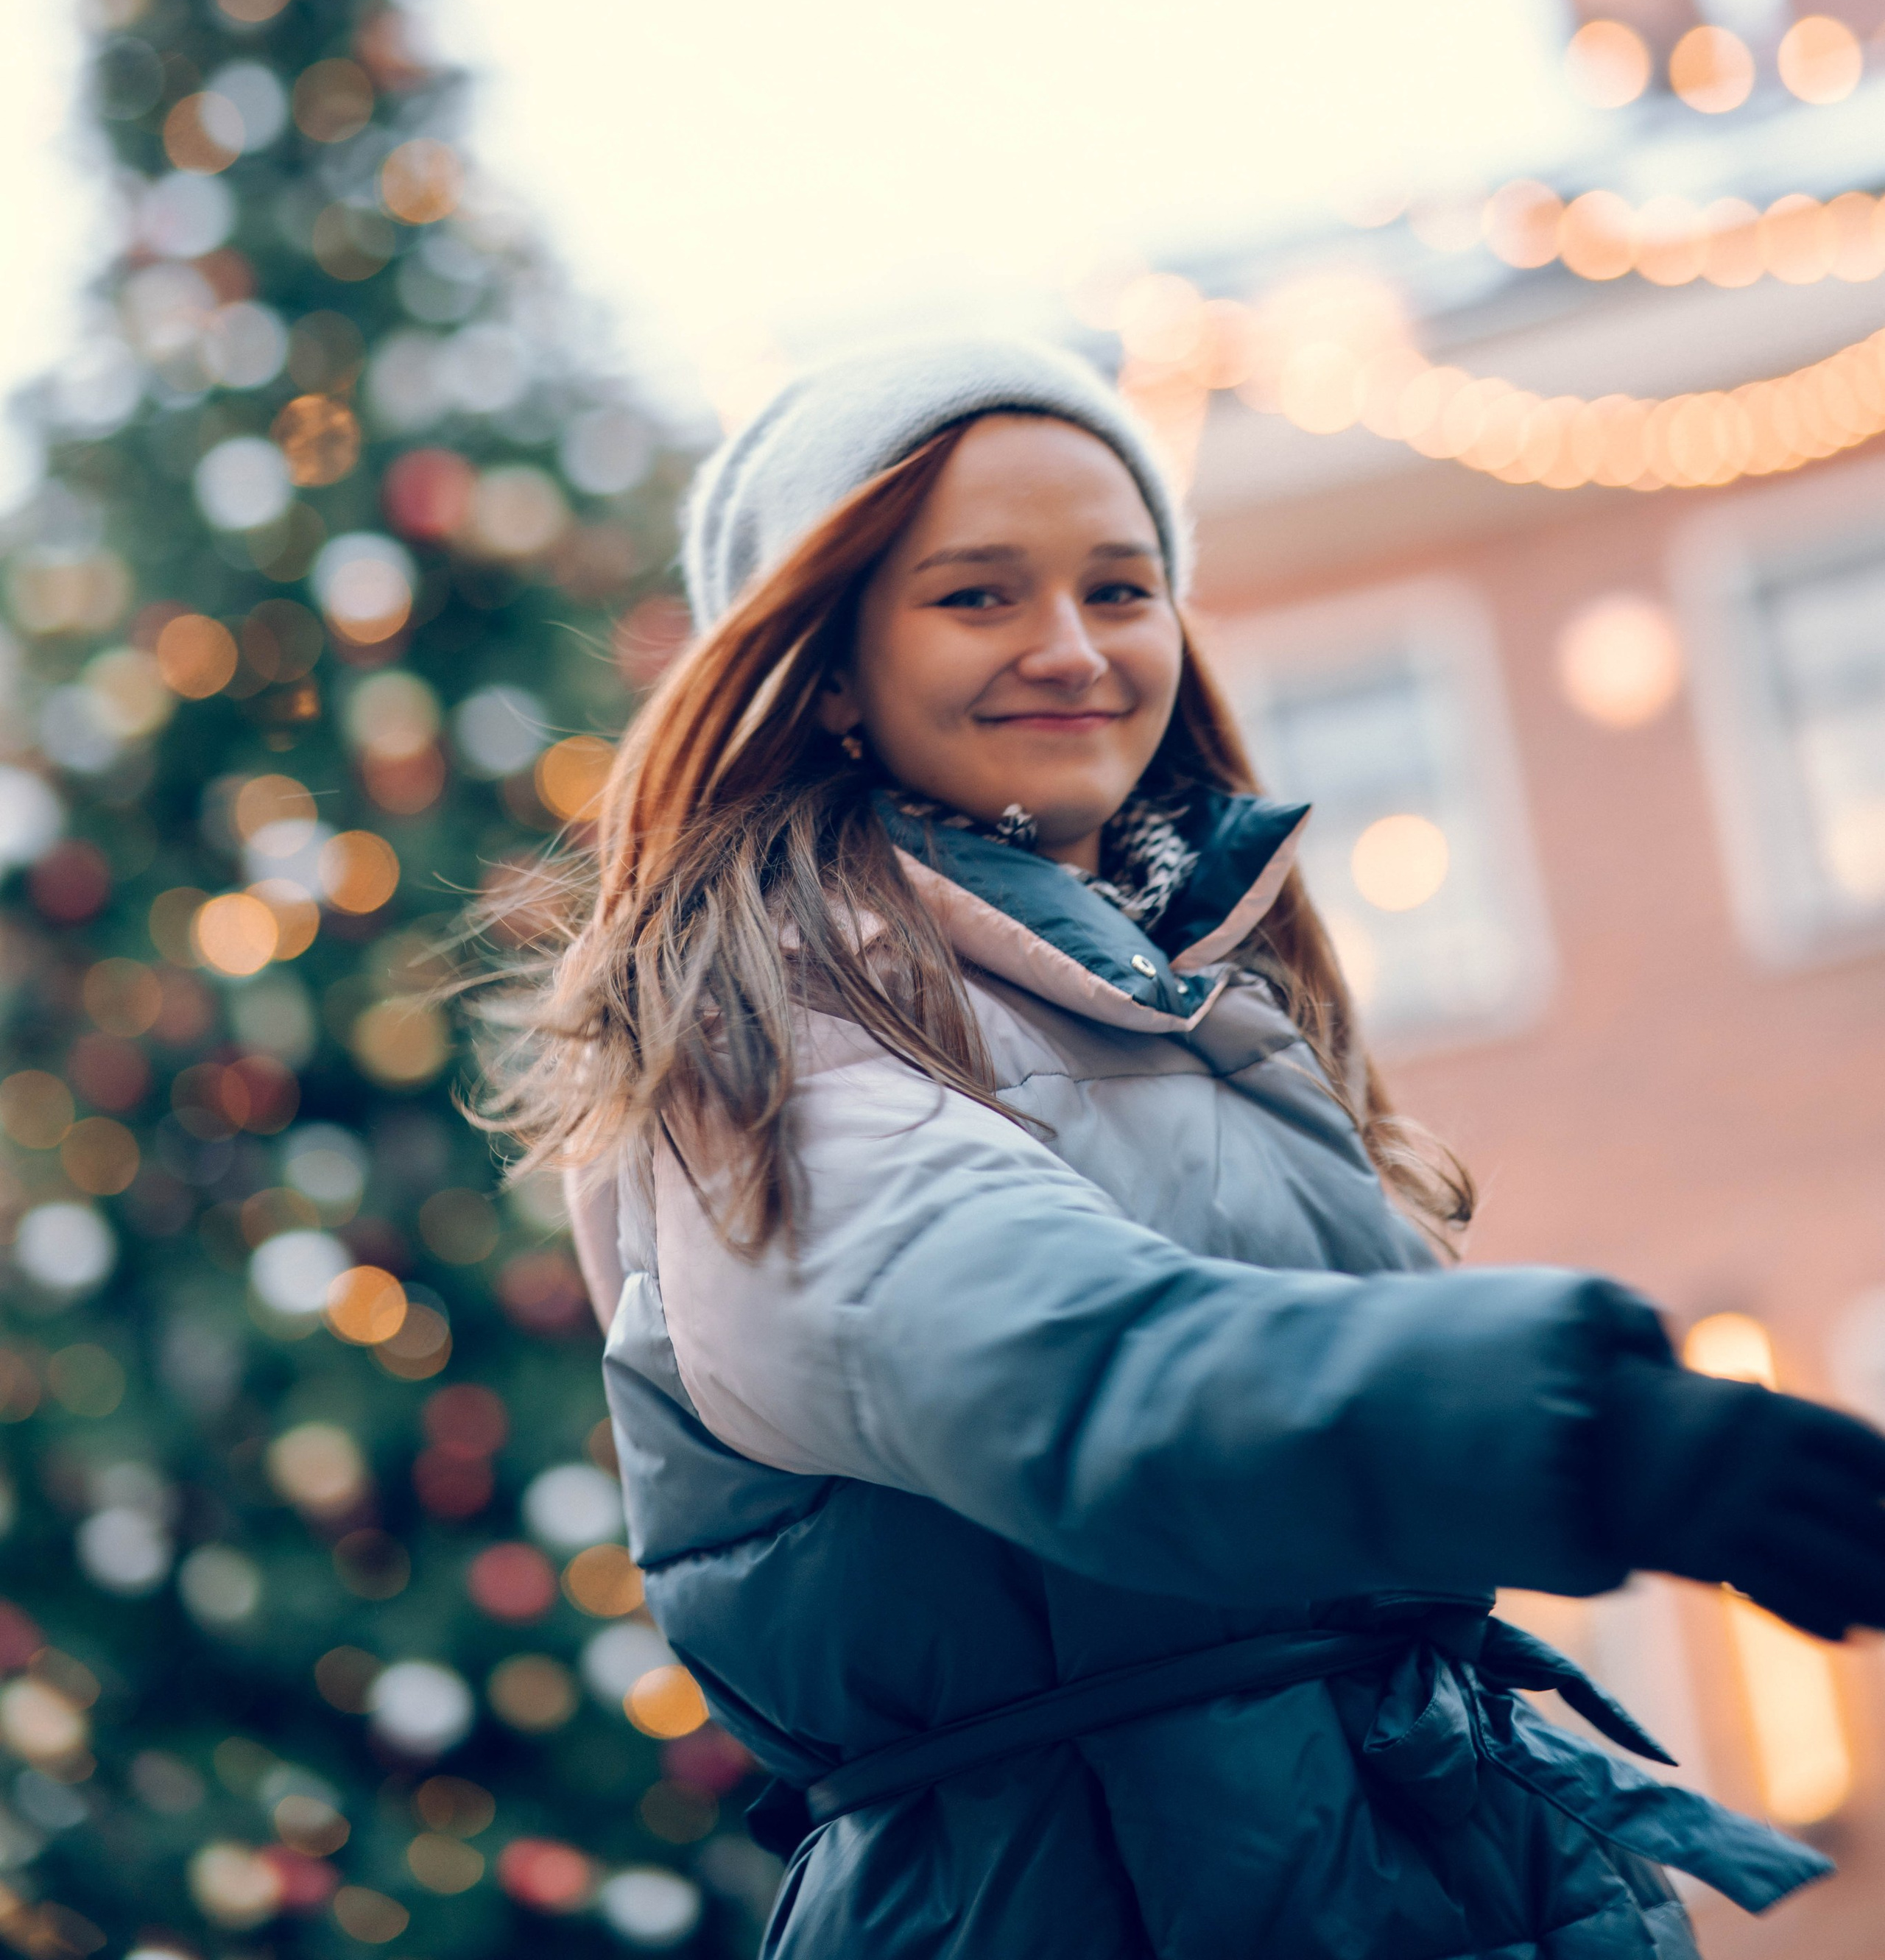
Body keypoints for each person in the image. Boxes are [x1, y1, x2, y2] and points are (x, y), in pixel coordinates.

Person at [504, 336, 1885, 1959]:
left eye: (1120, 586)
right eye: (975, 596)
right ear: (823, 666)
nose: (1070, 647)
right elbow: (1066, 1370)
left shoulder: (1176, 990)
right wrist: (1605, 1435)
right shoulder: (790, 1052)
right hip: (1093, 1895)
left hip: (1352, 1844)